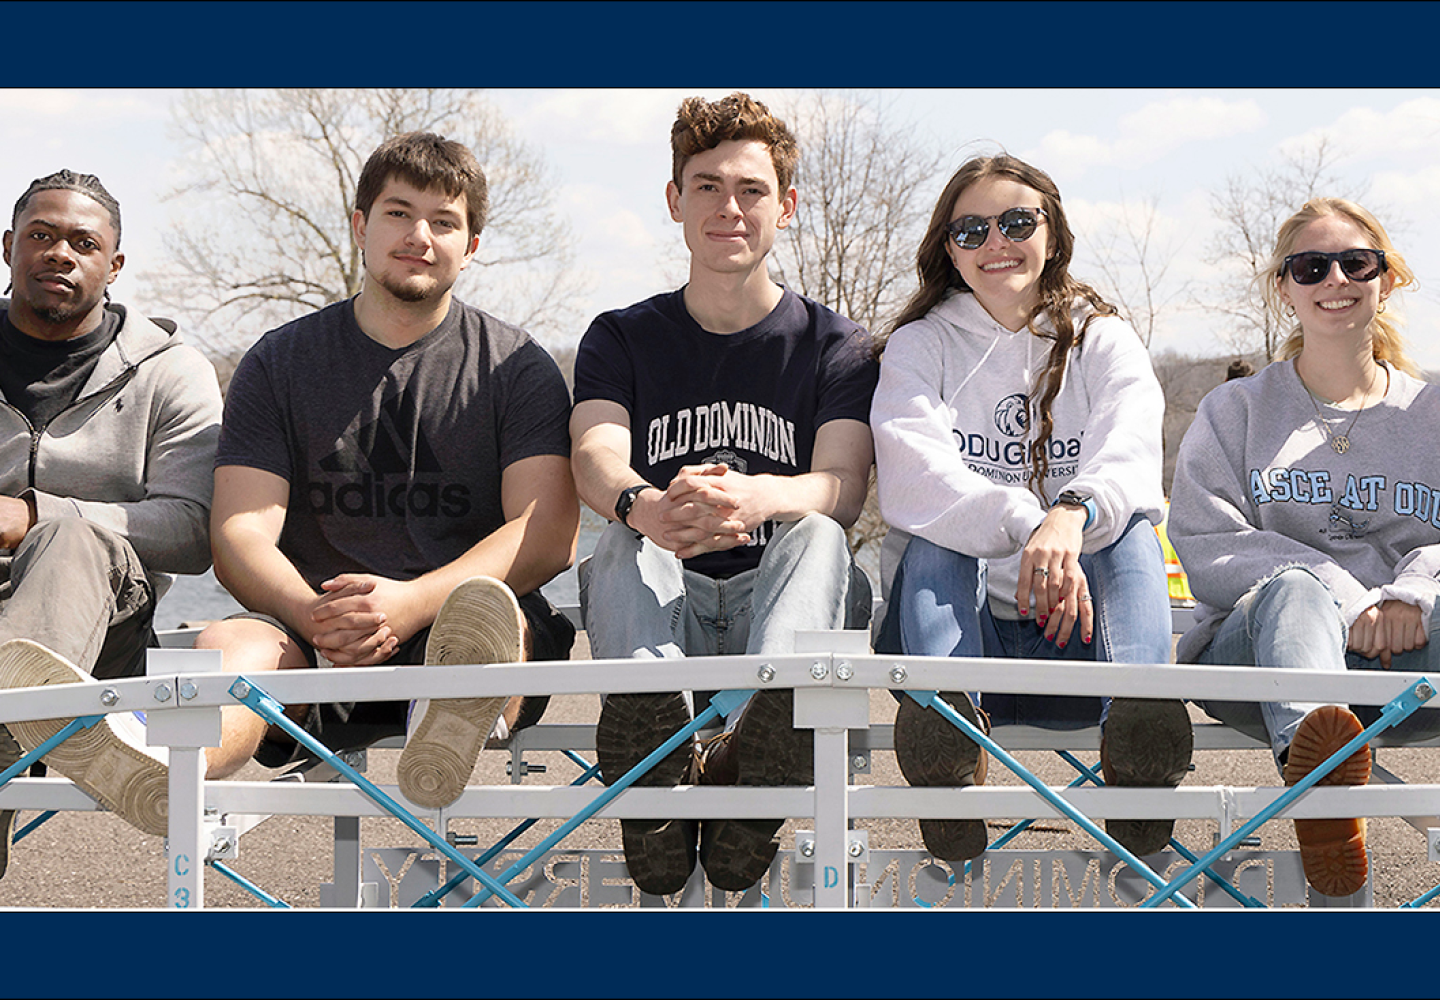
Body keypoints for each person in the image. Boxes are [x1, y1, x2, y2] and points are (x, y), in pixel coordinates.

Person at [196, 133, 578, 811]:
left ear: (471, 246)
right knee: (226, 646)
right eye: (399, 213)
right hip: (318, 637)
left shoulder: (516, 367)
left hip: (463, 625)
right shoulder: (279, 363)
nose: (419, 236)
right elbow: (239, 532)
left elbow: (546, 531)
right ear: (360, 226)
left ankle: (444, 733)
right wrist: (309, 613)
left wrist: (411, 604)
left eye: (444, 221)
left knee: (486, 627)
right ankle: (164, 772)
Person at [570, 93, 878, 895]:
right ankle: (657, 752)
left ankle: (753, 744)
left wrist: (759, 499)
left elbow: (843, 484)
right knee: (620, 538)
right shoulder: (621, 336)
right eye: (707, 186)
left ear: (787, 206)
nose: (728, 208)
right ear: (675, 200)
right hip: (662, 615)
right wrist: (647, 506)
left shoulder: (836, 344)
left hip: (777, 607)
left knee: (821, 533)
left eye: (751, 189)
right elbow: (595, 453)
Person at [869, 153, 1188, 865]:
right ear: (949, 249)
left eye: (1016, 222)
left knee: (1129, 526)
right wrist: (1029, 522)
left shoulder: (1102, 338)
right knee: (938, 534)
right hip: (959, 640)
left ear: (1052, 233)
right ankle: (949, 745)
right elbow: (916, 477)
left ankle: (1139, 744)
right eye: (971, 230)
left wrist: (1071, 514)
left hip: (1084, 645)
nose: (996, 243)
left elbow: (1132, 453)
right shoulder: (920, 346)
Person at [1169, 197, 1440, 898]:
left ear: (1387, 278)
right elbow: (1204, 539)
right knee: (1295, 588)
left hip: (1406, 658)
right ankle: (1322, 785)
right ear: (1284, 288)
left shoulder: (1431, 414)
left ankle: (1323, 780)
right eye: (1311, 266)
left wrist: (1412, 592)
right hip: (1262, 665)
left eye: (1356, 263)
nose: (1335, 279)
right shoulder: (1237, 411)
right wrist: (1345, 597)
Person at [0, 169, 223, 871]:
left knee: (69, 538)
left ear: (114, 265)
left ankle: (14, 723)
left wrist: (36, 515)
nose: (59, 253)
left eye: (83, 242)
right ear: (8, 247)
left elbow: (193, 530)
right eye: (41, 235)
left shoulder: (170, 372)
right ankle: (22, 722)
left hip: (108, 624)